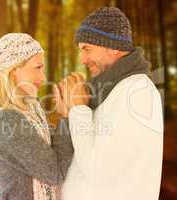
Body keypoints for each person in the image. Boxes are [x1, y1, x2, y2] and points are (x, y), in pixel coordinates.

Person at [54, 7, 164, 200]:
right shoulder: (113, 90)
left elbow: (98, 170)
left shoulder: (136, 93)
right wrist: (68, 115)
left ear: (113, 46)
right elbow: (85, 152)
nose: (82, 60)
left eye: (87, 49)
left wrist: (79, 109)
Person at [0, 33, 74, 200]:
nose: (43, 78)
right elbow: (54, 172)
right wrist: (68, 117)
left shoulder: (29, 110)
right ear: (14, 70)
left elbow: (50, 150)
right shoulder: (7, 121)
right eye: (38, 67)